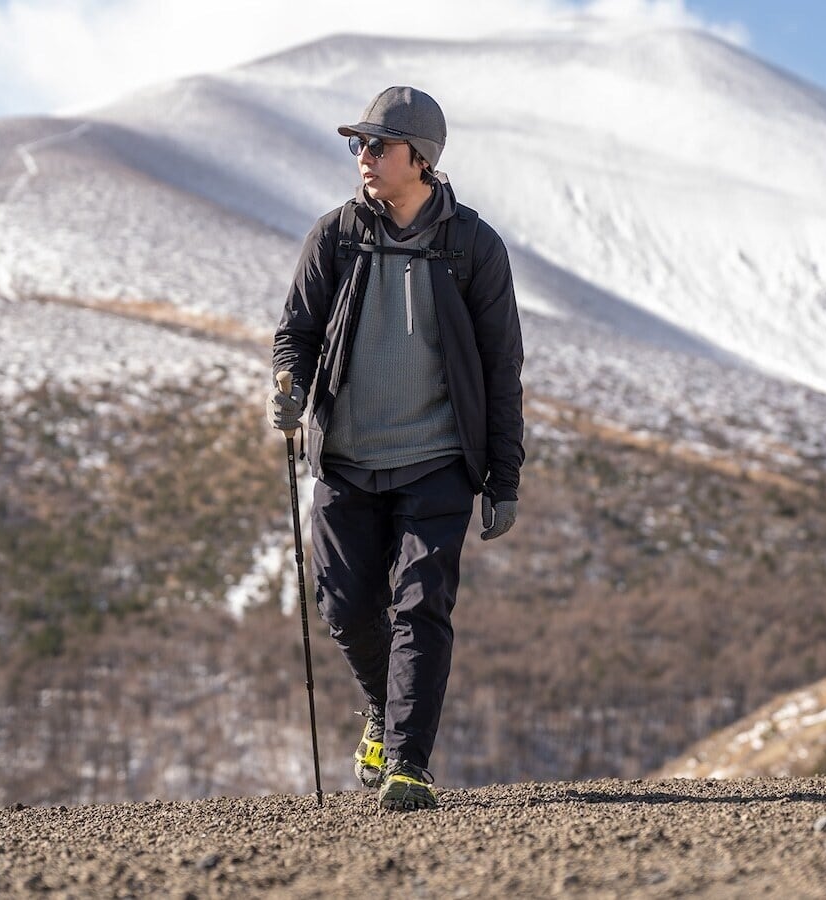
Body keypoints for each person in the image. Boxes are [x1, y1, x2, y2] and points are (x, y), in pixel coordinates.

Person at [267, 86, 524, 811]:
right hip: (347, 458)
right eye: (359, 144)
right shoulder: (336, 236)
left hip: (438, 459)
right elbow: (296, 333)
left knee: (421, 607)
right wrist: (290, 384)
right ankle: (384, 709)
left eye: (378, 145)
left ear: (422, 158)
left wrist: (504, 477)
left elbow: (502, 366)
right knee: (346, 606)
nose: (364, 156)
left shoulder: (473, 247)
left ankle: (409, 763)